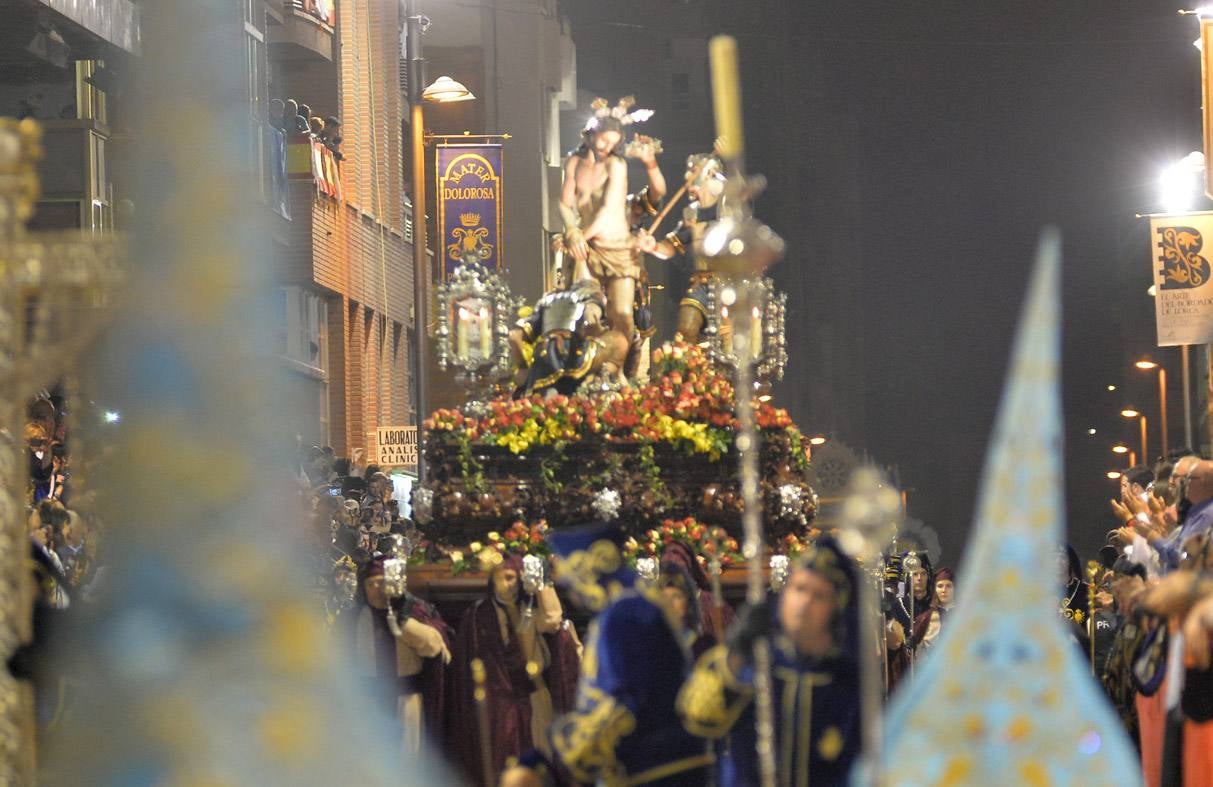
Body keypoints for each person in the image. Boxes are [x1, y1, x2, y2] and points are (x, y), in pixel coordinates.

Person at [678, 536, 862, 786]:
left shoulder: (847, 682)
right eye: (799, 589)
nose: (805, 603)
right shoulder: (755, 664)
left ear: (835, 609)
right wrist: (739, 649)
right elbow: (698, 716)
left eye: (819, 596)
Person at [547, 521, 712, 785]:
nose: (574, 594)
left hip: (652, 764)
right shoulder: (633, 602)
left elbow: (627, 694)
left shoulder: (625, 612)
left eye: (574, 580)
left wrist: (579, 741)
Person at [449, 554, 578, 786]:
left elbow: (552, 620)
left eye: (509, 578)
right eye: (498, 578)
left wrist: (541, 584)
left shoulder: (532, 608)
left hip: (533, 698)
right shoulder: (477, 615)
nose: (504, 585)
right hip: (496, 705)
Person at [558, 97, 653, 348]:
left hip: (616, 249)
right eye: (603, 139)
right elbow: (565, 204)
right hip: (586, 249)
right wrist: (571, 230)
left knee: (620, 314)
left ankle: (623, 368)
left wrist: (580, 235)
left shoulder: (616, 164)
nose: (606, 146)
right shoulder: (573, 163)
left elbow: (609, 211)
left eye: (613, 142)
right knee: (585, 313)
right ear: (590, 134)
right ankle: (591, 366)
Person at [341, 557, 452, 755]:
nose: (377, 589)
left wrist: (402, 621)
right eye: (371, 584)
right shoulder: (353, 619)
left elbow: (435, 647)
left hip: (407, 701)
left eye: (382, 582)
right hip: (370, 703)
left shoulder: (415, 611)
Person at [637, 150, 727, 343]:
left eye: (695, 175)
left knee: (728, 341)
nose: (690, 184)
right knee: (686, 327)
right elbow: (670, 247)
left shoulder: (728, 205)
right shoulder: (691, 214)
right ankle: (689, 372)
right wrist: (653, 246)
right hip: (701, 285)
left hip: (729, 286)